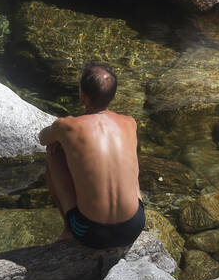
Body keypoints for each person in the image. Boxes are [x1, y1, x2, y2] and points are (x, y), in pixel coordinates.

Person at [38, 62, 144, 249]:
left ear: (83, 95)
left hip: (91, 233)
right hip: (134, 226)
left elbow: (42, 138)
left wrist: (62, 139)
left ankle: (68, 229)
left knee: (53, 152)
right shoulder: (130, 122)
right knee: (127, 156)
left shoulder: (67, 126)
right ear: (113, 95)